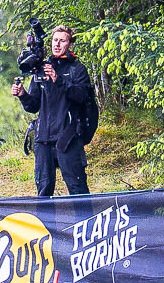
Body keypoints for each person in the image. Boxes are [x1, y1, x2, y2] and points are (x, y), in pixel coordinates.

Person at [11, 25, 99, 197]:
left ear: (70, 45)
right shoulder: (41, 68)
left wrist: (58, 80)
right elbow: (33, 106)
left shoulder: (77, 69)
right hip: (43, 138)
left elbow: (82, 96)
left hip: (68, 137)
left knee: (77, 189)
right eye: (55, 40)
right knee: (43, 191)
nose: (57, 44)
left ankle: (85, 216)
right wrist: (22, 95)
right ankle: (46, 217)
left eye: (62, 41)